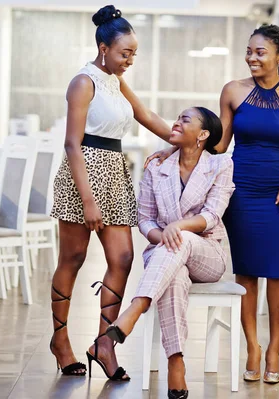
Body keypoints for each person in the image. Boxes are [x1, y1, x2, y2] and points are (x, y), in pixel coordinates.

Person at [145, 24, 279, 384]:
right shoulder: (233, 91)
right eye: (249, 51)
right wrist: (174, 148)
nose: (252, 57)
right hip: (242, 189)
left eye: (260, 52)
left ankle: (273, 350)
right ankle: (252, 346)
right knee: (247, 271)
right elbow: (218, 145)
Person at [48, 5, 170, 380]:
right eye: (124, 53)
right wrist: (87, 200)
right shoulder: (83, 82)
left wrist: (189, 141)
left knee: (122, 258)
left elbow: (146, 116)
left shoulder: (116, 81)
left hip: (114, 174)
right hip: (82, 174)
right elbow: (72, 143)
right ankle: (60, 339)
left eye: (134, 53)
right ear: (104, 47)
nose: (129, 60)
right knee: (73, 257)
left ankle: (104, 343)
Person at [105, 107, 235, 399]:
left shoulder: (220, 165)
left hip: (207, 254)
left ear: (203, 135)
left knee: (184, 239)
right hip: (165, 253)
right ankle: (176, 362)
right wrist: (161, 233)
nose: (176, 122)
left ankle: (135, 309)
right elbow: (145, 218)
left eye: (185, 120)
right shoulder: (157, 166)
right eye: (177, 117)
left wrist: (177, 227)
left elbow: (213, 215)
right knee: (174, 279)